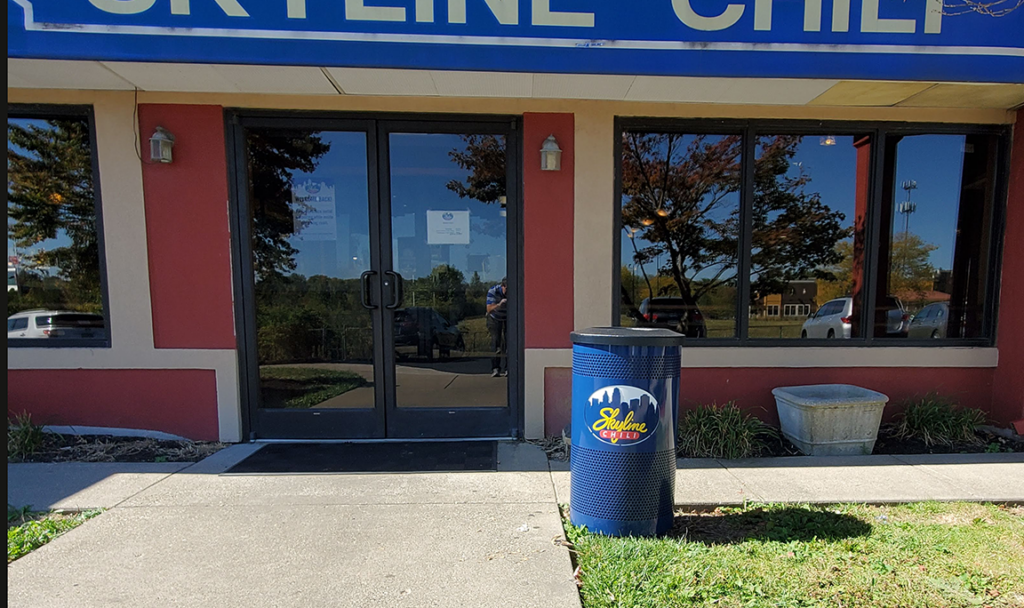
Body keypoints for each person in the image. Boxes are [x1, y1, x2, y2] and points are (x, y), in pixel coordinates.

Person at [486, 277, 508, 377]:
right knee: (496, 341)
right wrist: (499, 304)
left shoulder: (513, 292)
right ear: (502, 286)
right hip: (494, 317)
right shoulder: (493, 291)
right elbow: (489, 308)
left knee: (509, 342)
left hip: (508, 318)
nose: (507, 292)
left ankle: (508, 368)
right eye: (506, 289)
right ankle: (495, 368)